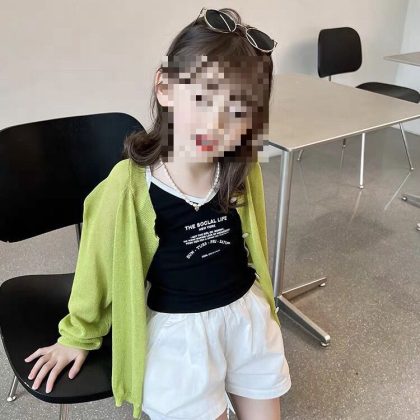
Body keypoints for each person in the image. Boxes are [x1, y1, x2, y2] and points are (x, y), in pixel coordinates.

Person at [23, 7, 291, 420]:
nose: (218, 123)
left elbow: (255, 240)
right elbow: (97, 264)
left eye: (239, 110)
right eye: (203, 97)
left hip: (247, 320)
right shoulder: (128, 186)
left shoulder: (241, 168)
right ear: (166, 87)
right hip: (181, 337)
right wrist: (78, 334)